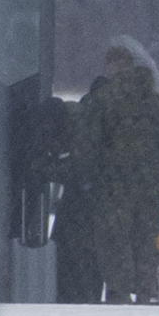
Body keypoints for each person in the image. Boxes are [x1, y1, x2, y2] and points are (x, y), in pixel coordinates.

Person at [84, 47, 159, 305]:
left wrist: (87, 178)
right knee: (146, 239)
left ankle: (119, 292)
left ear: (113, 66)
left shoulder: (104, 99)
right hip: (151, 183)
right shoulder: (155, 101)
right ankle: (147, 290)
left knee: (117, 240)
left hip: (115, 182)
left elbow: (91, 143)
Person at [52, 88, 104, 304]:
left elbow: (73, 167)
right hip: (96, 200)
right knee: (92, 253)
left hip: (76, 202)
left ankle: (70, 295)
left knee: (71, 251)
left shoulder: (78, 123)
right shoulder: (102, 126)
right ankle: (89, 295)